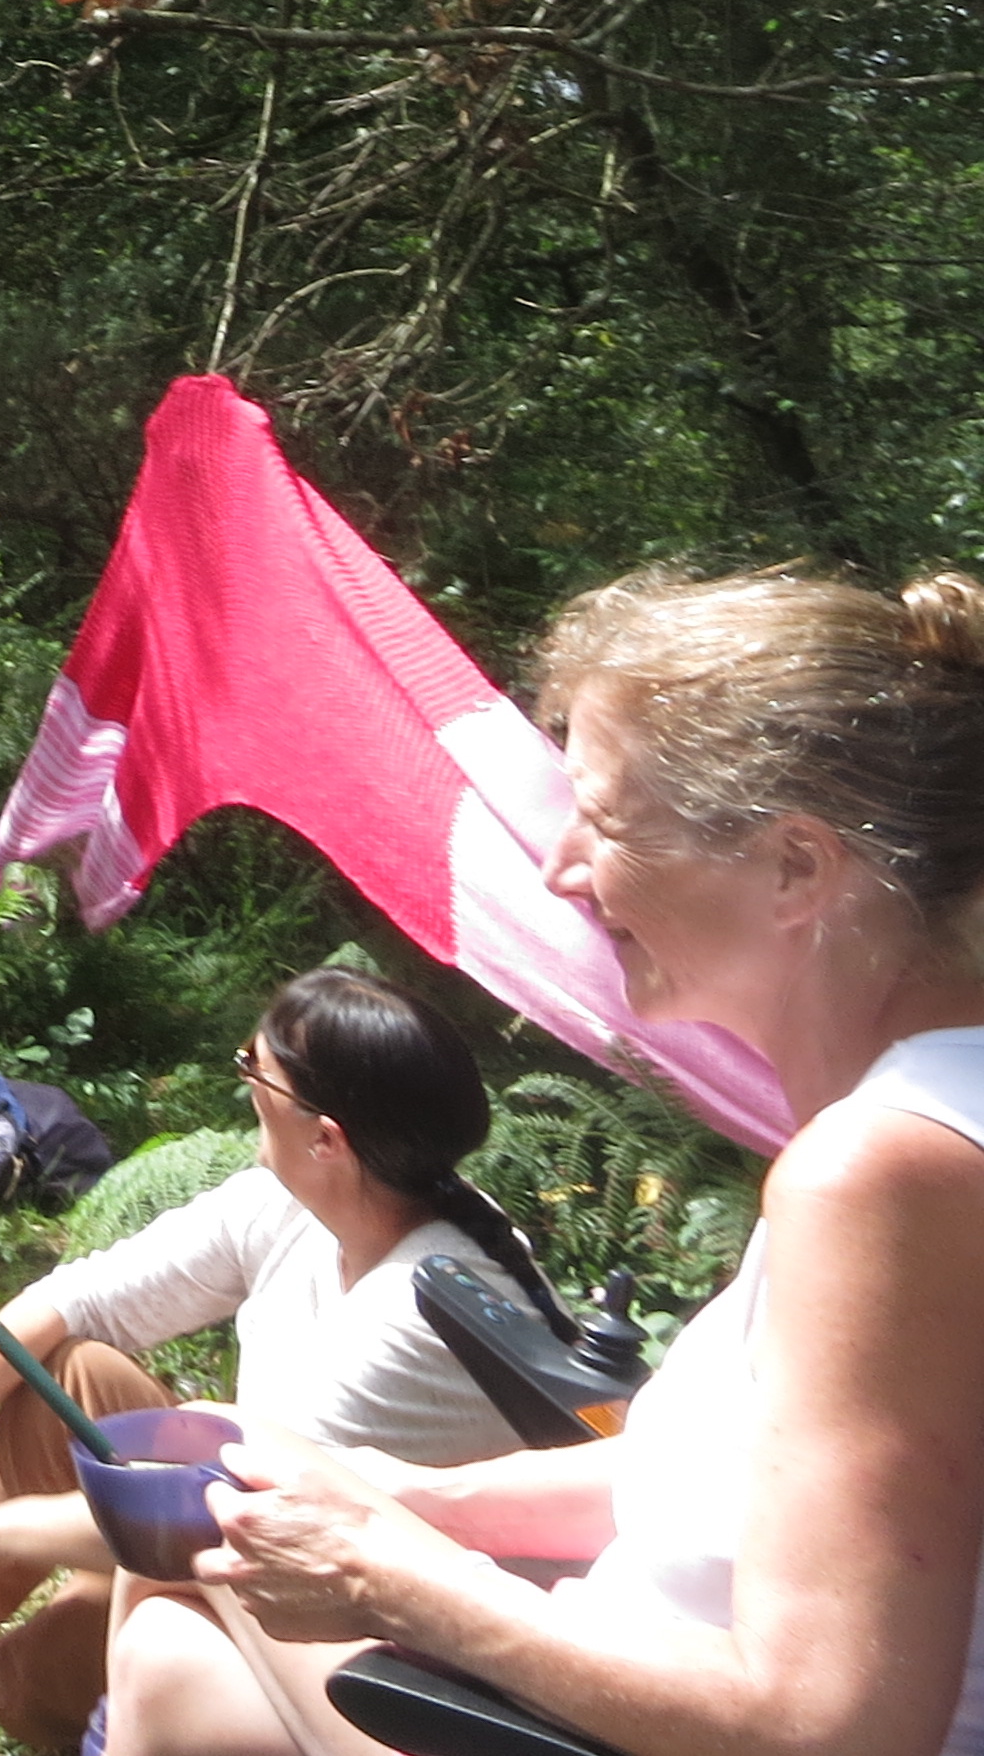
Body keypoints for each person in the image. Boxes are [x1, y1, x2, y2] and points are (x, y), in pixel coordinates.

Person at [108, 567, 984, 1756]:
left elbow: (833, 1726)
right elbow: (731, 1485)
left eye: (606, 821)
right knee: (175, 1636)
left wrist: (391, 1574)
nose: (563, 867)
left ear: (795, 867)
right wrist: (407, 1497)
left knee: (176, 1587)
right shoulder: (923, 1120)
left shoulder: (885, 1172)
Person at [0, 969, 551, 1755]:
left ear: (326, 1137)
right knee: (70, 1372)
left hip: (374, 1648)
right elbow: (85, 1297)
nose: (243, 1083)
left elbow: (230, 1521)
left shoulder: (415, 1312)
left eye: (255, 1070)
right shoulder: (315, 1198)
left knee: (163, 1598)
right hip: (252, 1533)